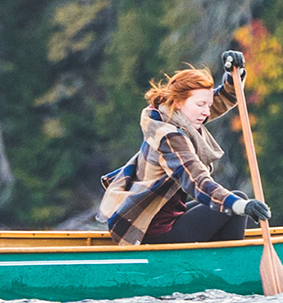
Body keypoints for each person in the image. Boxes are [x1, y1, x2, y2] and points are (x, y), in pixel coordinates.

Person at [98, 48, 274, 245]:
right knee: (235, 204)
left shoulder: (175, 116)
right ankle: (225, 271)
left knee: (233, 204)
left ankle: (217, 264)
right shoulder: (169, 136)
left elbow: (221, 99)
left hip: (166, 220)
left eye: (208, 105)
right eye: (201, 105)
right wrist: (241, 206)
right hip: (152, 232)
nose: (207, 112)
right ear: (178, 102)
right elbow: (197, 182)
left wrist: (235, 74)